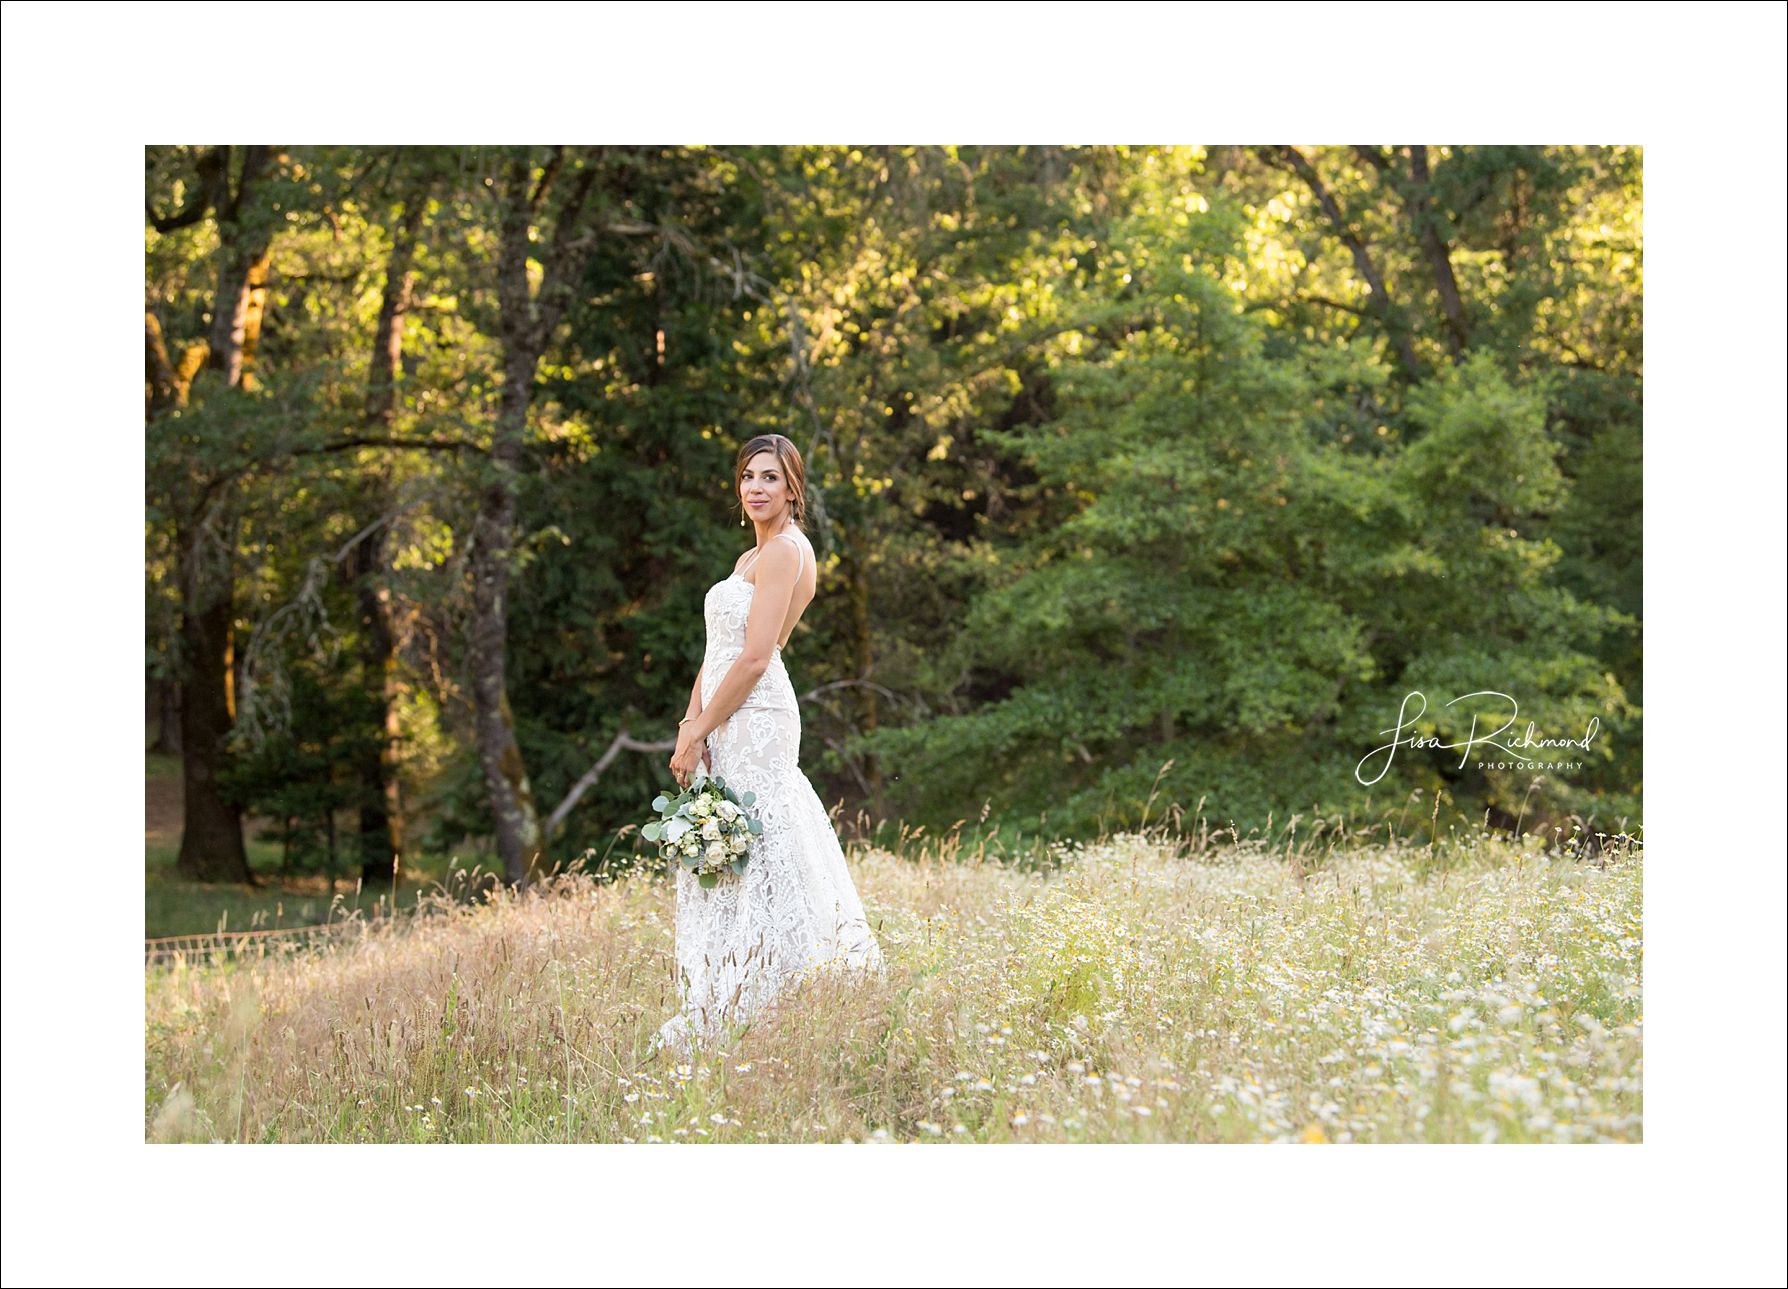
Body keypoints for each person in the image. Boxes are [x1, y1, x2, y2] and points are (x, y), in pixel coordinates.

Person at [651, 434, 884, 1059]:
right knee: (734, 845)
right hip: (724, 710)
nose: (756, 488)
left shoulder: (785, 551)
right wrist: (689, 723)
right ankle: (734, 987)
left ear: (792, 488)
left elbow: (757, 657)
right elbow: (717, 652)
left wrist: (702, 730)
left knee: (765, 837)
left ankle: (787, 985)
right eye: (749, 476)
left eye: (771, 478)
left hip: (757, 714)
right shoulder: (747, 560)